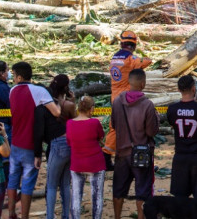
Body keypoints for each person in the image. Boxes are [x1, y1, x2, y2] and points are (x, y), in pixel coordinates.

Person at [8, 62, 62, 219]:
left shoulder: (12, 91)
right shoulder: (38, 91)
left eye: (13, 75)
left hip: (15, 142)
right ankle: (24, 215)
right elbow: (57, 113)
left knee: (12, 179)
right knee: (27, 183)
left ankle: (11, 212)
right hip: (30, 144)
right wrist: (60, 101)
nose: (12, 79)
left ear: (19, 77)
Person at [111, 68, 158, 219]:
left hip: (121, 153)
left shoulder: (117, 101)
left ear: (129, 82)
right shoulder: (148, 105)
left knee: (118, 190)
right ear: (143, 84)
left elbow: (114, 124)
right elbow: (151, 132)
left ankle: (117, 217)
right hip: (142, 154)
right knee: (142, 191)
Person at [166, 75, 197, 200]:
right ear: (194, 89)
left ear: (178, 89)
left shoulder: (172, 109)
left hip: (181, 156)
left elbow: (173, 125)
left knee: (180, 198)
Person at [104, 31, 152, 162]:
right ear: (134, 45)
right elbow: (146, 62)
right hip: (126, 99)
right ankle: (131, 155)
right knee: (132, 126)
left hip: (115, 97)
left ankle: (107, 154)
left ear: (121, 43)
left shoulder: (114, 58)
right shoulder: (130, 59)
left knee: (113, 126)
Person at [34, 75, 76, 219]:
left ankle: (50, 216)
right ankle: (66, 215)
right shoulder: (64, 104)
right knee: (65, 184)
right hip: (69, 143)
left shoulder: (41, 108)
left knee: (51, 185)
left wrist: (37, 154)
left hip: (57, 144)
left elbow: (38, 133)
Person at [66, 95, 105, 219]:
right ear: (91, 109)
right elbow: (101, 135)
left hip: (77, 163)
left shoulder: (70, 123)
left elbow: (69, 142)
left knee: (76, 197)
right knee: (97, 197)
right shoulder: (94, 122)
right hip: (95, 163)